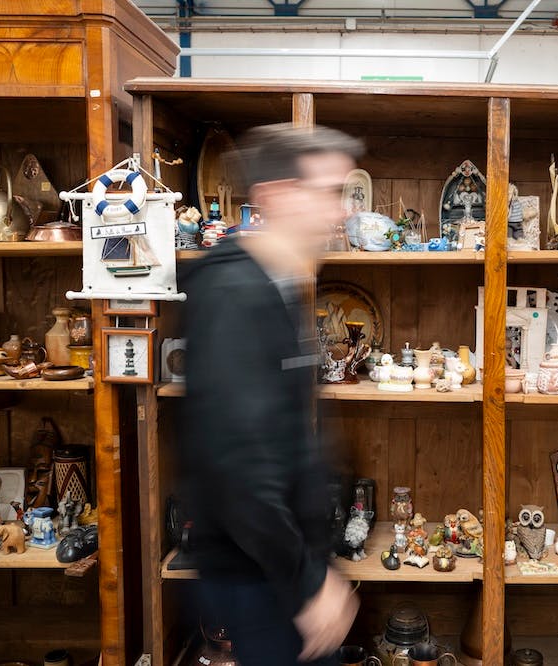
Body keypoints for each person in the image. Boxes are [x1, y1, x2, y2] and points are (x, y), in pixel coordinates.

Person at [180, 123, 364, 665]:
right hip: (259, 578)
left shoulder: (278, 282)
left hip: (280, 565)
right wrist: (308, 584)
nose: (342, 212)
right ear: (277, 194)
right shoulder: (236, 293)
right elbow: (240, 463)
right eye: (329, 193)